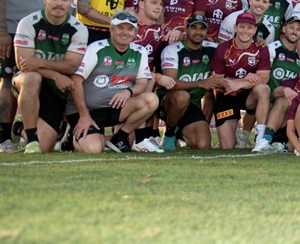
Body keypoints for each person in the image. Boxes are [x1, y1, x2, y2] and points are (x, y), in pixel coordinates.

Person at [0, 0, 58, 152]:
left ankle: (27, 131)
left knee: (37, 81)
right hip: (12, 30)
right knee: (8, 81)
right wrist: (2, 31)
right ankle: (3, 137)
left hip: (41, 34)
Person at [67, 11, 160, 153]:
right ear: (111, 29)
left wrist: (127, 91)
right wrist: (84, 116)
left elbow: (142, 84)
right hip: (88, 111)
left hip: (116, 109)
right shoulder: (96, 48)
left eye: (130, 29)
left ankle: (119, 138)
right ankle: (72, 138)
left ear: (135, 32)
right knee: (94, 149)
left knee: (151, 99)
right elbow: (75, 81)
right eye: (120, 28)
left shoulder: (139, 51)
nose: (125, 32)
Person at [13, 0, 87, 153]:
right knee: (32, 77)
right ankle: (31, 140)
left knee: (45, 146)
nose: (59, 3)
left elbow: (71, 65)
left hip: (56, 89)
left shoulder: (78, 28)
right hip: (29, 80)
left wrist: (40, 62)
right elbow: (23, 64)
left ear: (70, 2)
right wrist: (55, 75)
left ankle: (20, 127)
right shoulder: (28, 23)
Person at [159, 14, 223, 151]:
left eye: (202, 28)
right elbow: (171, 84)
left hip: (192, 104)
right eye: (193, 27)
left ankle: (180, 130)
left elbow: (233, 48)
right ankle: (170, 133)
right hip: (168, 101)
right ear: (186, 29)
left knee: (202, 145)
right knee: (182, 96)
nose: (198, 32)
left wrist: (260, 42)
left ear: (207, 31)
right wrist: (200, 83)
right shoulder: (172, 50)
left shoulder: (212, 48)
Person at [210, 11, 271, 150]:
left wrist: (239, 83)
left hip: (247, 94)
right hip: (227, 95)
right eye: (242, 26)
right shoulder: (222, 49)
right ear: (235, 28)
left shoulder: (261, 49)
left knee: (263, 89)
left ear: (255, 30)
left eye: (250, 27)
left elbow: (264, 78)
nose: (246, 31)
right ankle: (235, 133)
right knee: (227, 147)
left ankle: (260, 138)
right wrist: (244, 78)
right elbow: (217, 80)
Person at [254, 17, 300, 153]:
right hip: (265, 100)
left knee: (287, 100)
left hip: (284, 104)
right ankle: (262, 139)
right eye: (291, 28)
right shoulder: (273, 48)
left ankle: (274, 141)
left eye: (298, 29)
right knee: (281, 98)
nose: (295, 32)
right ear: (283, 29)